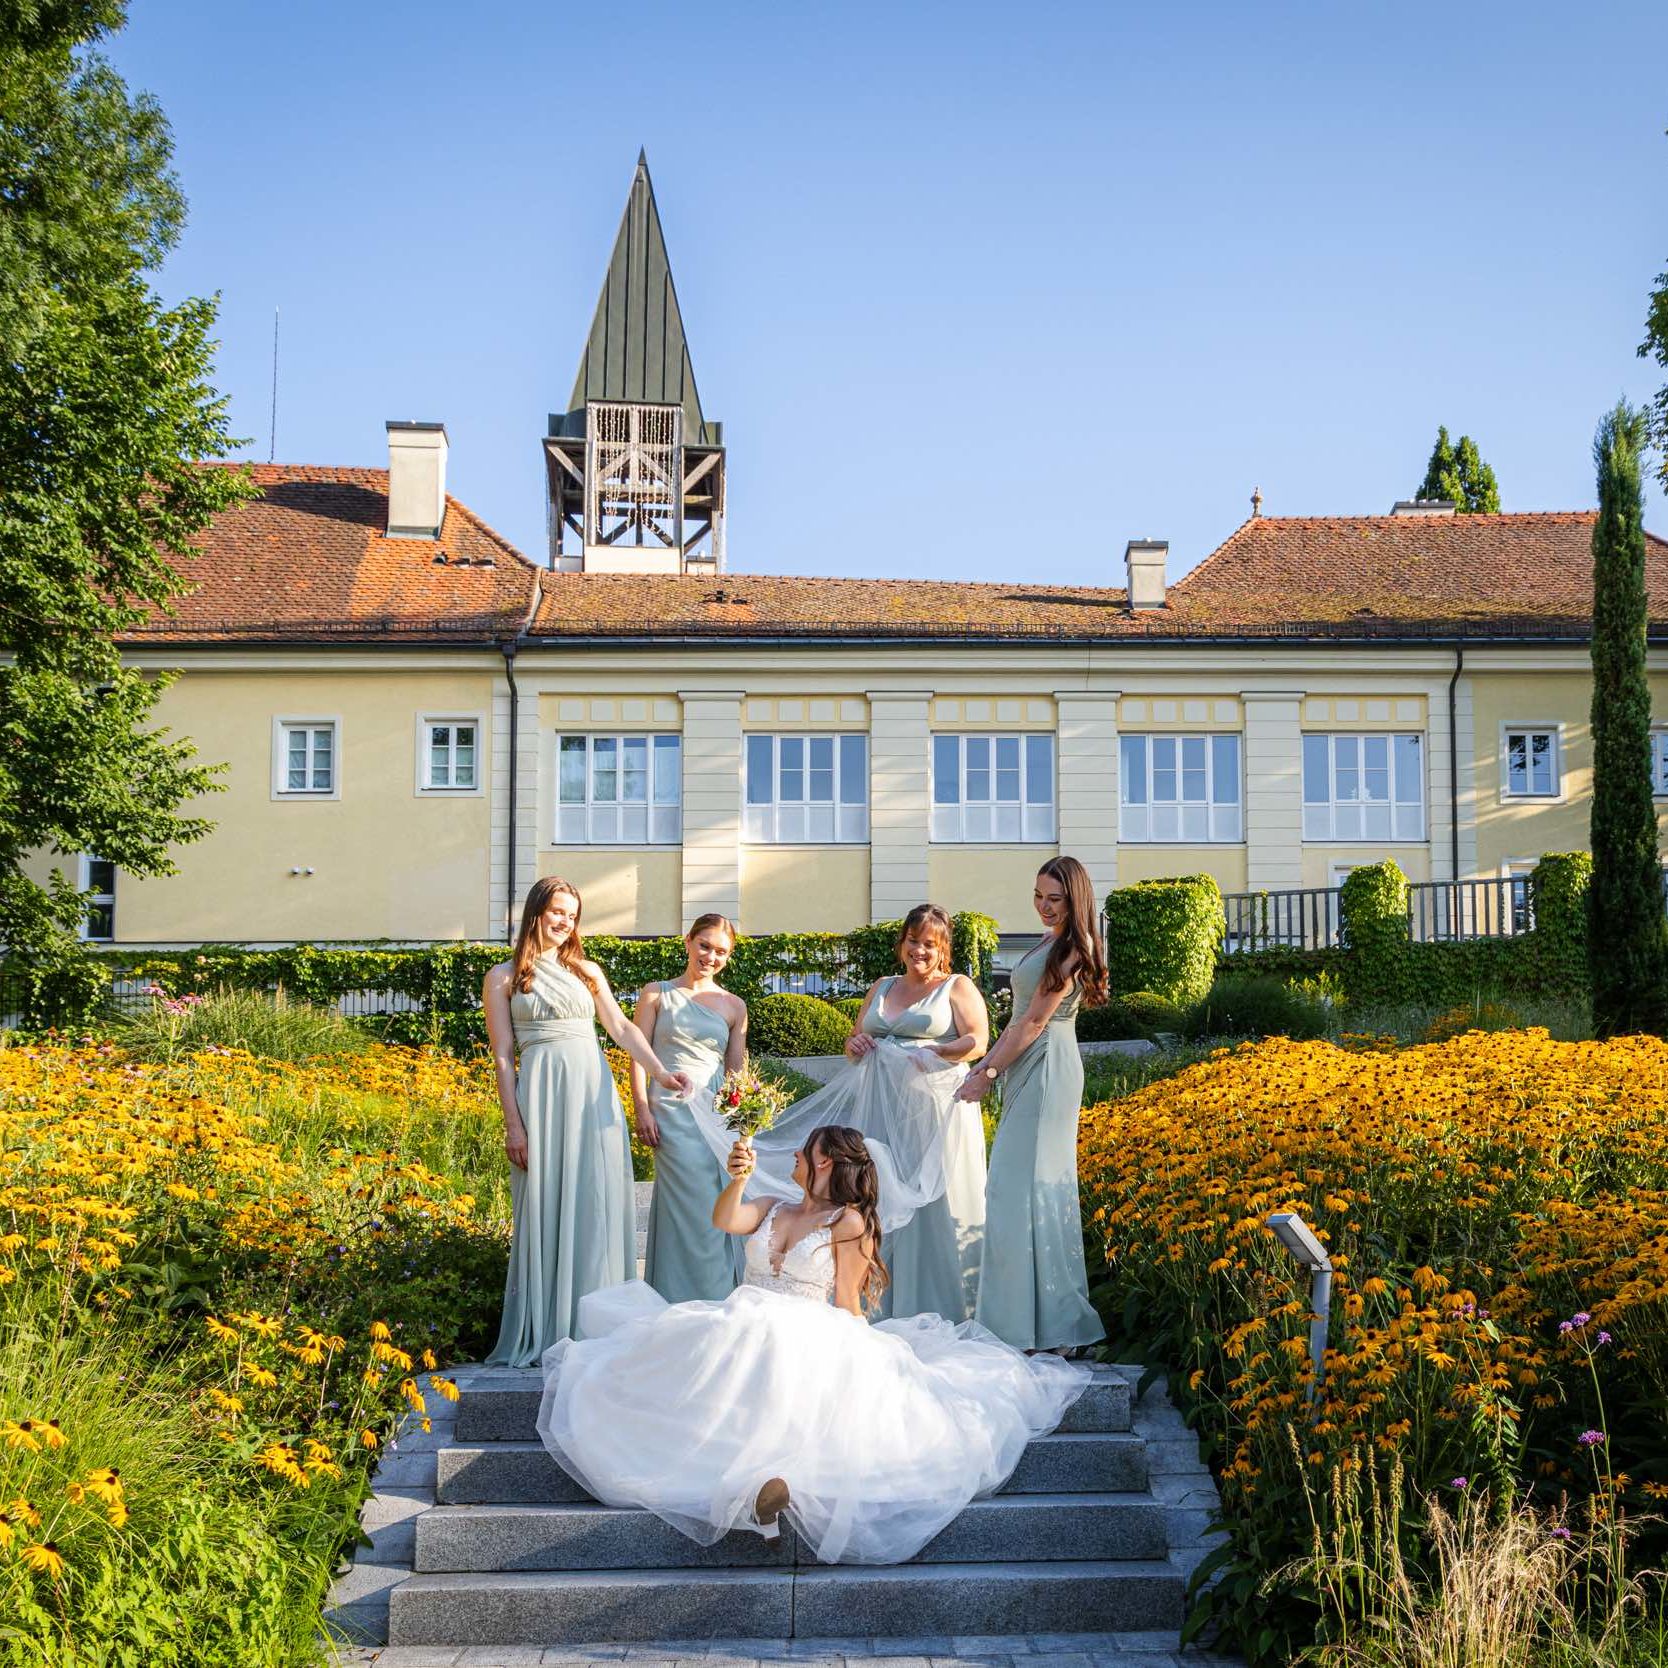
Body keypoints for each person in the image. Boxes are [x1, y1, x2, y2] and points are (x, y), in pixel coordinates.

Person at [534, 1125, 1087, 1565]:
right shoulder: (773, 1204)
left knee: (775, 1358)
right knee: (707, 1351)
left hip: (803, 1325)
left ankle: (764, 1489)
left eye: (804, 1152)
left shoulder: (850, 1222)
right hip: (739, 1317)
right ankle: (753, 1490)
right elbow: (726, 1218)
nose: (794, 1158)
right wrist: (737, 1178)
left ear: (825, 1162)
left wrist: (862, 1358)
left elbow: (847, 1298)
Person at [482, 877, 691, 1366]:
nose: (564, 922)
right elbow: (502, 1056)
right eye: (557, 911)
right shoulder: (503, 976)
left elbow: (620, 1028)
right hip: (541, 1097)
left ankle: (598, 1323)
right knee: (545, 1207)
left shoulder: (587, 971)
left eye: (572, 915)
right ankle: (549, 1327)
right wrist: (514, 1125)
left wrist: (660, 1071)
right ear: (535, 911)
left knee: (597, 1203)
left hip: (592, 1097)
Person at [955, 855, 1108, 1354]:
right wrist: (986, 1067)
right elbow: (1017, 1021)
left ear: (1075, 899)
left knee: (1030, 1189)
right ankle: (1024, 1320)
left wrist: (988, 1072)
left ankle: (1050, 1324)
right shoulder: (1048, 941)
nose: (1043, 906)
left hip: (1047, 1066)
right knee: (1014, 1188)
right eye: (1038, 896)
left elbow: (1034, 1023)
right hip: (1026, 1061)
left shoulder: (1073, 947)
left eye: (1055, 899)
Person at [848, 904, 989, 1322]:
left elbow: (978, 1041)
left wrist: (938, 1051)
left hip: (933, 1112)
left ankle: (942, 1307)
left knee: (932, 1206)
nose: (920, 951)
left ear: (943, 948)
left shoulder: (957, 987)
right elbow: (856, 1039)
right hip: (879, 1110)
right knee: (879, 1197)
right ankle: (880, 1306)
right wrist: (853, 1046)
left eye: (930, 943)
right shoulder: (882, 986)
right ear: (902, 943)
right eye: (913, 941)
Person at [631, 914, 749, 1303]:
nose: (711, 956)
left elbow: (735, 1070)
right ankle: (675, 1297)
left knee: (716, 1200)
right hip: (670, 1111)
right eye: (705, 946)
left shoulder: (734, 1005)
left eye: (721, 951)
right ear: (688, 941)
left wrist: (741, 1122)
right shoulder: (655, 993)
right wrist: (642, 1109)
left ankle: (717, 1297)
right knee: (686, 1202)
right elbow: (637, 1054)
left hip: (715, 1114)